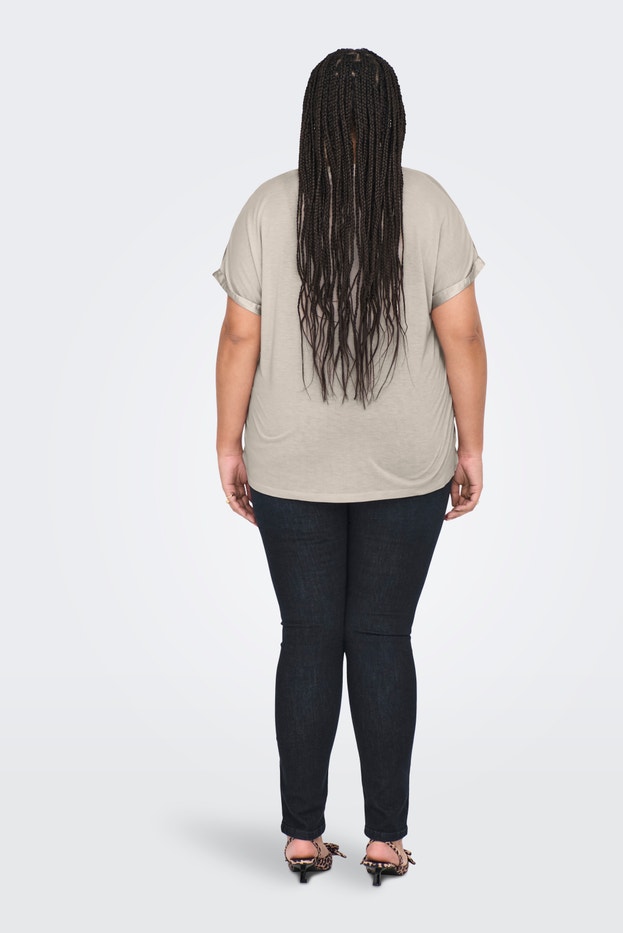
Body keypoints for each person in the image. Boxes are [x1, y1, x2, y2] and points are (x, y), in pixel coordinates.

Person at [212, 48, 487, 885]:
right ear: (392, 117)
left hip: (290, 464)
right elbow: (463, 335)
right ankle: (384, 839)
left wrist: (228, 442)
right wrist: (472, 445)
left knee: (308, 636)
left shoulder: (271, 204)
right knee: (381, 636)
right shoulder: (427, 202)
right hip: (408, 465)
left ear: (315, 116)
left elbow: (241, 335)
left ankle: (302, 836)